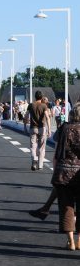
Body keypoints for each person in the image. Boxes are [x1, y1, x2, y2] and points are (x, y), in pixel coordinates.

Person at [51, 103, 80, 250]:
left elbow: (56, 153)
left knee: (66, 207)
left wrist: (55, 171)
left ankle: (71, 241)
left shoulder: (63, 128)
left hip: (63, 173)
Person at [24, 91, 51, 171]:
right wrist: (49, 129)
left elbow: (26, 116)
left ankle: (34, 159)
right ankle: (40, 165)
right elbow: (47, 117)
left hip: (33, 128)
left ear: (35, 97)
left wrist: (25, 126)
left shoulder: (31, 105)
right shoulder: (44, 106)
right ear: (42, 97)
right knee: (42, 147)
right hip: (42, 128)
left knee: (33, 146)